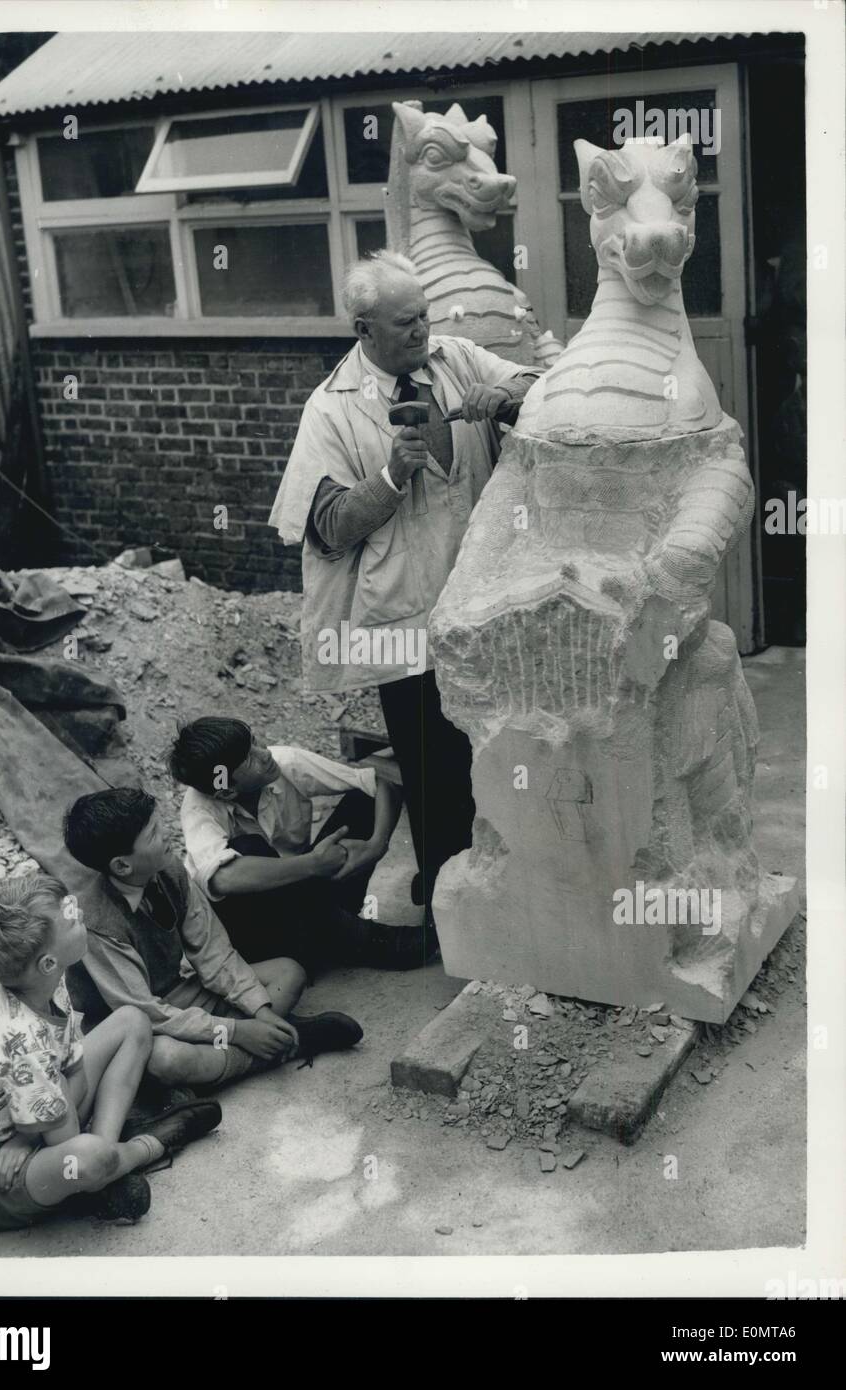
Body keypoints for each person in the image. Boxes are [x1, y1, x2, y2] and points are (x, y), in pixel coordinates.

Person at [269, 249, 540, 914]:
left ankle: (517, 894)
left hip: (482, 604)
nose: (422, 332)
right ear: (363, 330)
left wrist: (506, 398)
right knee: (433, 774)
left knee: (504, 753)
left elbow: (547, 387)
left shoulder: (457, 359)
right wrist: (390, 478)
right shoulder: (330, 409)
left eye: (423, 316)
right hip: (403, 625)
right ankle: (452, 913)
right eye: (403, 324)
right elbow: (328, 527)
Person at [0, 872, 221, 1236]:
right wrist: (35, 1129)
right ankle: (145, 1147)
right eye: (71, 917)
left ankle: (102, 1173)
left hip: (32, 1123)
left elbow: (74, 1073)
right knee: (88, 1157)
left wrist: (29, 1134)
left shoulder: (46, 982)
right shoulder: (21, 1037)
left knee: (132, 1022)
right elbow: (67, 1132)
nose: (81, 915)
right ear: (47, 962)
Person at [62, 787, 363, 1091]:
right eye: (153, 834)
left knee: (288, 973)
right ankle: (289, 1044)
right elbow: (145, 1012)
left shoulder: (169, 871)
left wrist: (261, 1012)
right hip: (133, 1026)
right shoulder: (96, 920)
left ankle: (248, 1049)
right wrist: (237, 1031)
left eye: (160, 824)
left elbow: (213, 953)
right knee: (166, 1059)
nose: (167, 834)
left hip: (176, 994)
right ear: (122, 865)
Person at [170, 715, 434, 972]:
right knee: (247, 849)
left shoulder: (284, 762)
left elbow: (379, 783)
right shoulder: (198, 809)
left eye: (254, 741)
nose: (264, 753)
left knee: (362, 801)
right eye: (249, 758)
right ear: (226, 790)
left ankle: (332, 934)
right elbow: (222, 878)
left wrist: (377, 845)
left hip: (308, 897)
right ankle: (363, 941)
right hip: (259, 928)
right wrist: (313, 863)